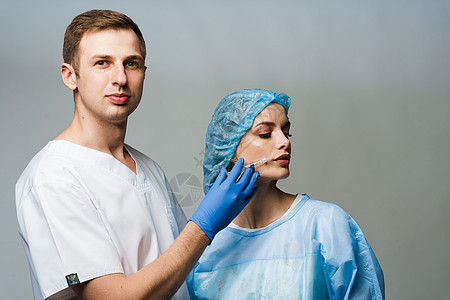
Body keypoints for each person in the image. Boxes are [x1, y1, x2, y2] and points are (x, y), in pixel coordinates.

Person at [15, 10, 259, 300]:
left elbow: (185, 267)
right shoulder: (55, 176)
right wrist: (204, 225)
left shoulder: (147, 169)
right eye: (102, 63)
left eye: (131, 64)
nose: (120, 78)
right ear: (70, 76)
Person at [188, 89, 385, 299]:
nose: (284, 142)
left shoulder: (325, 225)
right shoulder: (205, 244)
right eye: (265, 133)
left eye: (286, 132)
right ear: (229, 149)